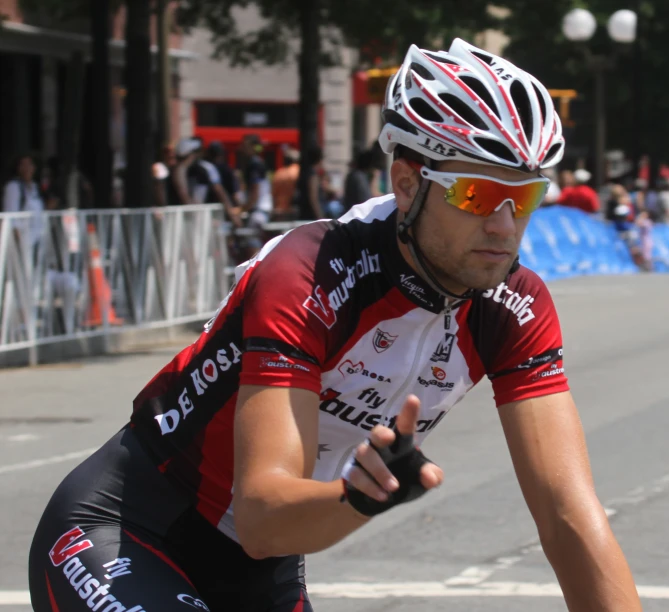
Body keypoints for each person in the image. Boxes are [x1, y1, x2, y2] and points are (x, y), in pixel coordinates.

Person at [28, 39, 641, 612]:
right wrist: (359, 497)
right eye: (478, 196)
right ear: (407, 183)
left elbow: (568, 517)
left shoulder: (515, 307)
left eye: (526, 197)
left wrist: (358, 494)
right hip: (127, 529)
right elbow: (265, 513)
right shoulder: (311, 272)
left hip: (258, 569)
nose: (505, 227)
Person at [271, 147, 300, 221]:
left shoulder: (278, 174)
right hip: (294, 211)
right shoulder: (298, 172)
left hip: (280, 211)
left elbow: (273, 194)